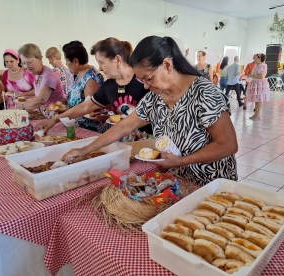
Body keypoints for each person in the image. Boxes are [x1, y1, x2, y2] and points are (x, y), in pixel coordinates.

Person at [60, 36, 238, 185]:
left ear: (167, 65)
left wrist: (181, 161)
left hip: (213, 183)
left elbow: (228, 144)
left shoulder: (204, 93)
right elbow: (123, 127)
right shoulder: (156, 97)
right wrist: (85, 150)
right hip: (178, 182)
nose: (145, 85)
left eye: (148, 78)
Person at [36, 37, 152, 135]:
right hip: (124, 141)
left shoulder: (144, 79)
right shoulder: (109, 86)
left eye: (101, 62)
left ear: (117, 59)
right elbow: (86, 106)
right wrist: (54, 120)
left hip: (149, 144)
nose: (100, 68)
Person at [15, 43, 66, 118]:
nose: (26, 66)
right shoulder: (39, 73)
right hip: (46, 114)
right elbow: (39, 90)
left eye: (29, 62)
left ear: (40, 59)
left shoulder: (49, 76)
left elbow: (41, 99)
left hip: (56, 117)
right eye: (23, 63)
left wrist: (15, 109)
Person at [63, 40, 104, 131]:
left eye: (66, 61)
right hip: (76, 126)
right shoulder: (79, 74)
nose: (66, 64)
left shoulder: (91, 79)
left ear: (75, 61)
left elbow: (90, 109)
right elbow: (79, 101)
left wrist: (62, 116)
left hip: (89, 130)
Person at [245, 53, 270, 121]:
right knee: (256, 100)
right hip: (255, 83)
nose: (253, 59)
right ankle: (256, 114)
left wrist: (251, 76)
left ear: (259, 59)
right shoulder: (256, 65)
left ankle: (258, 115)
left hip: (259, 84)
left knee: (259, 100)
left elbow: (262, 76)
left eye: (255, 58)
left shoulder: (263, 65)